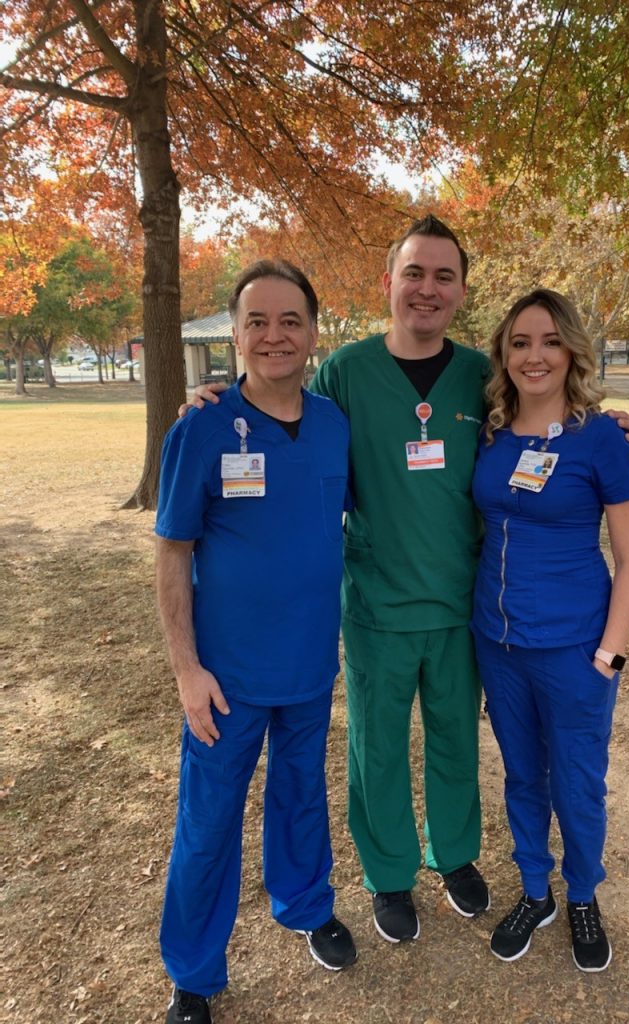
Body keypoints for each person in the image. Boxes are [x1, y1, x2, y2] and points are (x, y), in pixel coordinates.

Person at [183, 216, 629, 947]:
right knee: (378, 747)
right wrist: (215, 403)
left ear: (461, 290)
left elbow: (542, 412)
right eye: (414, 273)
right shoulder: (344, 374)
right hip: (375, 605)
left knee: (457, 739)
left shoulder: (477, 378)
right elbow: (277, 407)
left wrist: (606, 417)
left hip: (465, 608)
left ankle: (453, 855)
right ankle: (390, 871)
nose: (427, 289)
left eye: (443, 276)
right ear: (388, 283)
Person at [156, 260, 356, 1024]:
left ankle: (306, 908)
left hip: (309, 664)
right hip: (225, 678)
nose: (275, 336)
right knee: (207, 825)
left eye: (290, 321)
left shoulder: (335, 424)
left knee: (302, 797)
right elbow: (173, 552)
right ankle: (195, 974)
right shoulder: (201, 427)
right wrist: (186, 669)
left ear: (313, 330)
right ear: (234, 334)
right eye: (258, 322)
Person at [470, 289, 629, 973]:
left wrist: (610, 652)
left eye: (548, 341)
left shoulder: (602, 437)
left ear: (570, 349)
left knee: (576, 780)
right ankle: (536, 890)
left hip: (576, 647)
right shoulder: (490, 434)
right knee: (521, 775)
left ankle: (581, 894)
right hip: (498, 642)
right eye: (519, 342)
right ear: (504, 355)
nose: (534, 355)